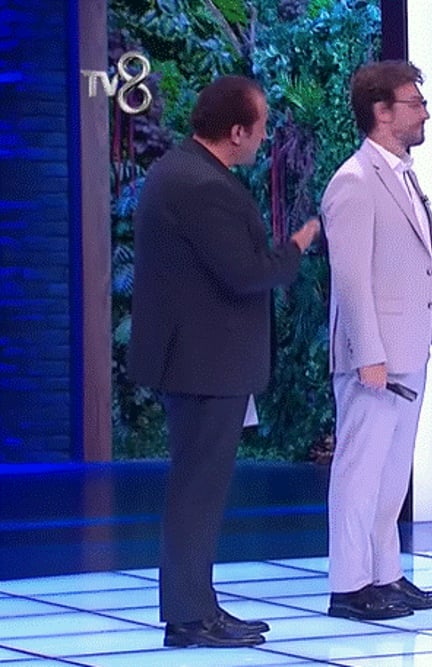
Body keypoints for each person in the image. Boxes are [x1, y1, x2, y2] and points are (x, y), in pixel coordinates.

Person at [129, 75, 321, 647]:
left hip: (200, 360)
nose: (263, 139)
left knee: (199, 489)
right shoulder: (201, 185)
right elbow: (245, 272)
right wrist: (297, 247)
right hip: (204, 363)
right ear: (236, 131)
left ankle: (198, 607)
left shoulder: (182, 171)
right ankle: (190, 617)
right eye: (260, 128)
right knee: (198, 491)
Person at [321, 60, 432, 620]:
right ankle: (349, 585)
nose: (424, 113)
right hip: (373, 358)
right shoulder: (354, 180)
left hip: (408, 347)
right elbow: (351, 278)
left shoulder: (402, 174)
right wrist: (368, 353)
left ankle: (385, 573)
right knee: (360, 472)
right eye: (414, 104)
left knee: (392, 473)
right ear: (381, 112)